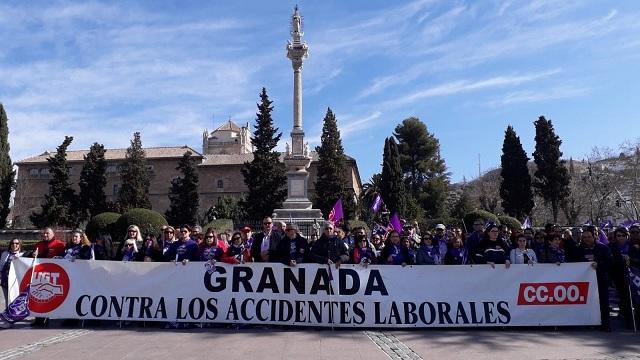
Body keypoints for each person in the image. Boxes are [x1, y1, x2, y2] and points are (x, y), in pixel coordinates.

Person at [569, 225, 612, 331]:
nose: (587, 239)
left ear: (594, 237)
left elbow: (610, 262)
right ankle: (590, 322)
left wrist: (599, 264)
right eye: (584, 237)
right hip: (584, 281)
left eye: (589, 237)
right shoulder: (578, 249)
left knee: (603, 302)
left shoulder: (603, 248)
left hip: (600, 279)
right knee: (587, 302)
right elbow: (572, 263)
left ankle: (605, 324)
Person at [609, 226, 635, 329]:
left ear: (627, 236)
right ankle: (627, 319)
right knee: (623, 297)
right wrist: (620, 259)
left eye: (623, 235)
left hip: (632, 276)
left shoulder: (632, 246)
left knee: (631, 298)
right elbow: (610, 262)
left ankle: (632, 319)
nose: (621, 237)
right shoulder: (611, 246)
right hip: (618, 275)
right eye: (618, 235)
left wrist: (630, 259)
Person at [1, 239, 24, 310]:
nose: (14, 245)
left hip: (16, 281)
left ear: (19, 244)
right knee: (6, 299)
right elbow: (1, 266)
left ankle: (15, 314)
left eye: (17, 243)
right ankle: (7, 313)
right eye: (12, 243)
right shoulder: (5, 253)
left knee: (15, 298)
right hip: (5, 280)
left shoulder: (23, 254)